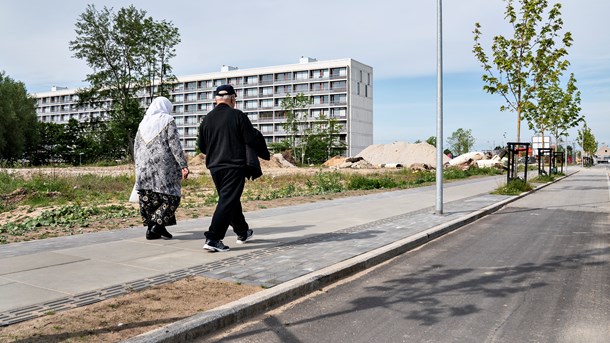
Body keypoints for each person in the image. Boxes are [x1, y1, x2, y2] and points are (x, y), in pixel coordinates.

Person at [198, 85, 269, 252]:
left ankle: (242, 231)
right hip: (234, 165)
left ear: (216, 100)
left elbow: (202, 147)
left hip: (215, 166)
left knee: (229, 199)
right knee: (228, 200)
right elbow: (250, 139)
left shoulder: (206, 119)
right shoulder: (237, 115)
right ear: (232, 99)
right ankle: (213, 238)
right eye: (235, 99)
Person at [134, 96, 189, 240]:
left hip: (143, 168)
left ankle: (154, 230)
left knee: (150, 199)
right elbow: (174, 144)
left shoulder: (143, 123)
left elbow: (136, 147)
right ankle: (156, 227)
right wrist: (183, 165)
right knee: (172, 197)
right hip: (163, 168)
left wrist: (138, 167)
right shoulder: (167, 120)